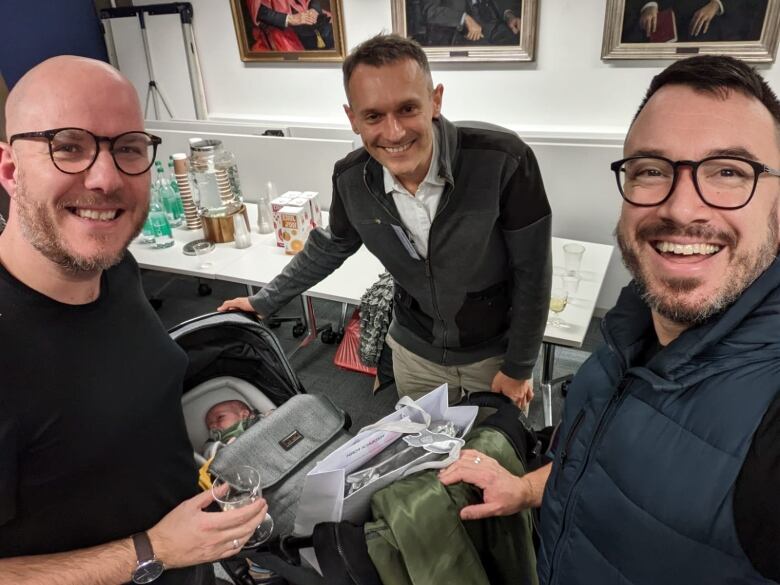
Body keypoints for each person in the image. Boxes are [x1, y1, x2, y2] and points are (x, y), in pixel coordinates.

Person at [440, 54, 780, 584]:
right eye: (651, 170)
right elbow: (602, 455)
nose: (682, 208)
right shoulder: (624, 336)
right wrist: (528, 489)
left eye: (729, 172)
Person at [0, 56, 266, 584]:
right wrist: (150, 549)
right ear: (10, 170)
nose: (105, 178)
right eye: (68, 146)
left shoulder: (116, 267)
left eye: (127, 148)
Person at [219, 34, 552, 408]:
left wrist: (520, 366)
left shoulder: (503, 160)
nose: (393, 133)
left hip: (493, 357)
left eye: (408, 109)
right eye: (374, 116)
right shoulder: (351, 179)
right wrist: (264, 301)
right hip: (415, 354)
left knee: (489, 457)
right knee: (424, 456)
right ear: (352, 118)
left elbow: (533, 272)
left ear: (435, 100)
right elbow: (332, 245)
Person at [421, 0, 522, 46]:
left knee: (516, 40)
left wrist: (509, 15)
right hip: (456, 33)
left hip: (494, 24)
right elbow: (430, 11)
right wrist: (463, 18)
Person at [247, 0, 334, 52]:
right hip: (280, 28)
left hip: (308, 16)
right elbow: (259, 12)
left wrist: (314, 10)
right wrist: (290, 19)